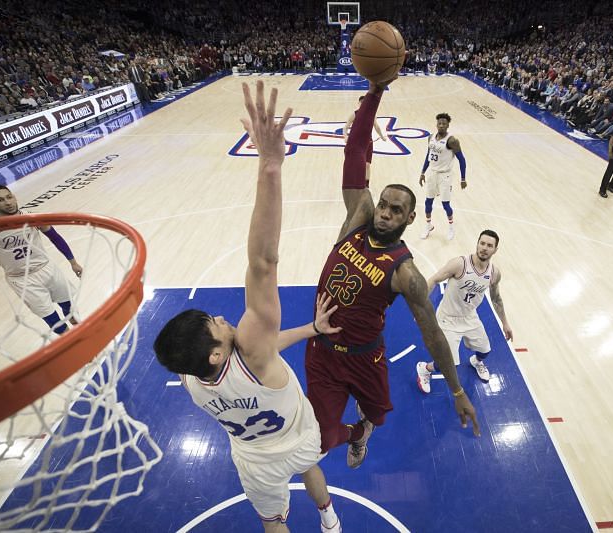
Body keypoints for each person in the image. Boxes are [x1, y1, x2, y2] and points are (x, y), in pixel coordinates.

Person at [153, 82, 341, 533]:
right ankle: (329, 520)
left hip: (255, 460)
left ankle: (319, 519)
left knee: (272, 522)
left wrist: (312, 329)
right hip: (299, 437)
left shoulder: (192, 377)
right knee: (312, 465)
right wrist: (271, 167)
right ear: (218, 352)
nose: (221, 318)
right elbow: (263, 262)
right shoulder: (252, 350)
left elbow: (269, 348)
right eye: (214, 324)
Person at [305, 78, 480, 471]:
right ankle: (355, 435)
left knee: (379, 415)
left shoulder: (406, 273)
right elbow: (354, 151)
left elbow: (432, 333)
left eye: (395, 210)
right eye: (383, 204)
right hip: (323, 352)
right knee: (321, 437)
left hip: (366, 358)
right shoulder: (357, 219)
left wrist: (455, 390)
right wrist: (376, 91)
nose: (384, 212)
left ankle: (366, 425)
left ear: (409, 218)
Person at [0, 185, 83, 333]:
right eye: (0, 200)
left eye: (9, 197)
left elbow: (54, 237)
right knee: (52, 319)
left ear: (14, 196)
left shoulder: (31, 217)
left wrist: (73, 262)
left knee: (70, 309)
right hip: (21, 280)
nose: (7, 203)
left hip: (47, 269)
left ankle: (82, 334)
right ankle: (73, 345)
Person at [415, 230, 513, 392]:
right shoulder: (460, 264)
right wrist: (420, 307)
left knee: (485, 351)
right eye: (482, 243)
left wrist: (505, 323)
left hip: (469, 317)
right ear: (477, 243)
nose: (484, 248)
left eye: (489, 245)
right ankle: (424, 369)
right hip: (448, 318)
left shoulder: (494, 273)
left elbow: (496, 299)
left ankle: (476, 362)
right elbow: (433, 279)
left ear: (495, 250)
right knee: (447, 365)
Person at [418, 113, 467, 240]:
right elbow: (428, 156)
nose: (441, 125)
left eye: (444, 123)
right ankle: (428, 225)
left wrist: (463, 179)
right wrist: (422, 172)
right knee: (428, 202)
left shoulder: (452, 141)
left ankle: (451, 228)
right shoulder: (431, 137)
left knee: (446, 204)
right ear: (436, 124)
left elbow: (462, 160)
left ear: (448, 125)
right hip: (432, 173)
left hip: (445, 175)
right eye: (439, 123)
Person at [344, 95, 388, 187]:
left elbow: (376, 127)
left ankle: (366, 185)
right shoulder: (354, 114)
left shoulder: (372, 114)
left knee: (367, 165)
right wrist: (345, 136)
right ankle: (355, 182)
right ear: (359, 104)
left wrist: (382, 136)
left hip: (368, 142)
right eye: (361, 103)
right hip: (356, 144)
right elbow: (346, 127)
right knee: (357, 164)